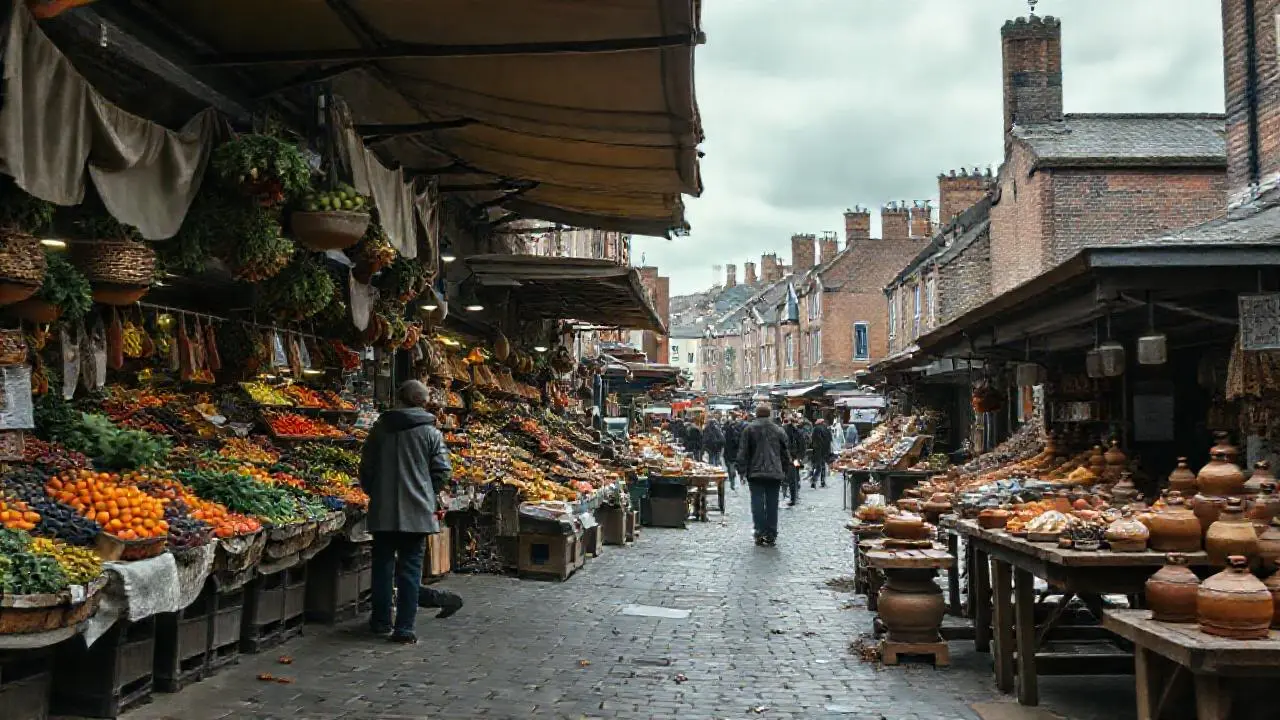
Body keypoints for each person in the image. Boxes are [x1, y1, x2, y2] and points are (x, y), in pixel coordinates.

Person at [359, 380, 463, 644]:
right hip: (417, 513)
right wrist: (427, 492)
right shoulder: (431, 434)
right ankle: (404, 628)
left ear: (399, 398)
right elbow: (442, 471)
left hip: (383, 512)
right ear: (423, 402)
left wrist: (377, 493)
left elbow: (366, 469)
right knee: (410, 570)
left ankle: (381, 621)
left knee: (382, 568)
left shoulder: (380, 430)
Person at [736, 404, 791, 546]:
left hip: (755, 473)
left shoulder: (749, 429)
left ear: (756, 414)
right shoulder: (778, 430)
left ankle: (759, 532)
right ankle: (771, 533)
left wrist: (741, 471)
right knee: (773, 503)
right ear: (769, 415)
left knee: (757, 503)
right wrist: (785, 469)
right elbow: (785, 453)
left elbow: (743, 452)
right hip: (775, 472)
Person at [783, 415, 804, 506]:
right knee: (794, 476)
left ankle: (787, 496)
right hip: (795, 458)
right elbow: (802, 446)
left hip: (786, 459)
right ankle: (794, 497)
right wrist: (800, 457)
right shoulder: (798, 432)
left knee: (786, 477)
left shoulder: (783, 430)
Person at [808, 418, 834, 489]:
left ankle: (814, 480)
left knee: (816, 466)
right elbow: (829, 441)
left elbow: (812, 441)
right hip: (823, 451)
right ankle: (820, 482)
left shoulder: (815, 429)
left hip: (816, 451)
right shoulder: (826, 429)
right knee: (821, 467)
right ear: (823, 422)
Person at [723, 413, 744, 490]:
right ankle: (734, 481)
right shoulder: (736, 431)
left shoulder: (728, 430)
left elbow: (725, 441)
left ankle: (733, 482)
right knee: (732, 467)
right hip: (733, 452)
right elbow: (738, 442)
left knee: (730, 467)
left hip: (729, 452)